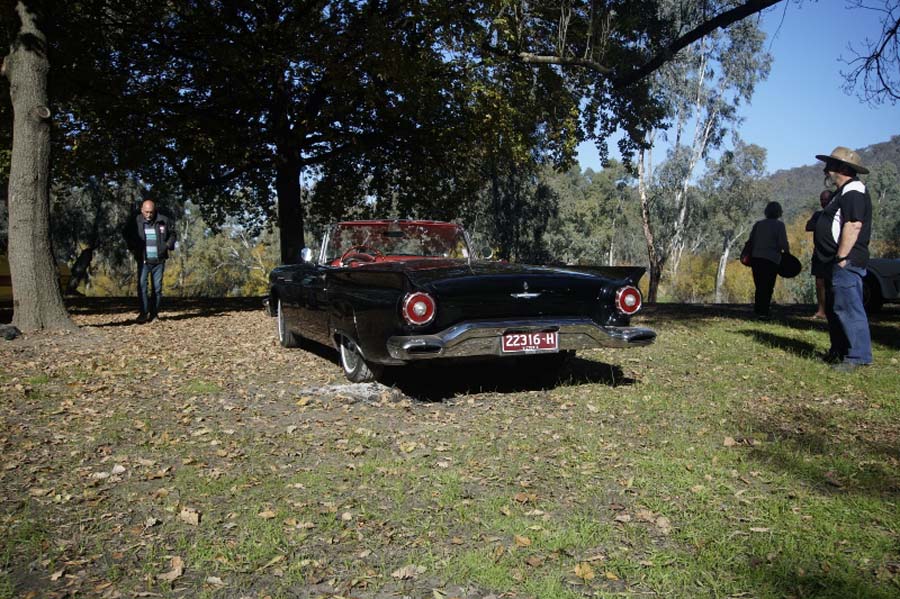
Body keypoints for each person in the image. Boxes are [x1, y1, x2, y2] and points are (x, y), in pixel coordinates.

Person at [814, 147, 873, 371]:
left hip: (845, 261)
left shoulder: (854, 190)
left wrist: (842, 257)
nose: (826, 171)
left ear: (842, 169)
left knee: (849, 307)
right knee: (835, 308)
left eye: (830, 166)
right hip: (833, 262)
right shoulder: (843, 192)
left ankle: (858, 356)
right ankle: (838, 351)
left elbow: (853, 223)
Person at [124, 199, 176, 323]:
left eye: (151, 212)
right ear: (142, 210)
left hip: (159, 260)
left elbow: (173, 234)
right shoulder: (136, 221)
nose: (149, 215)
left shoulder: (163, 220)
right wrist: (133, 247)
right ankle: (143, 314)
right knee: (142, 287)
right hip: (143, 261)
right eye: (146, 212)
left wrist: (167, 245)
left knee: (157, 289)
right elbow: (126, 233)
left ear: (154, 211)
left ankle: (154, 315)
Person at [748, 201, 789, 320]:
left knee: (759, 285)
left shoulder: (758, 224)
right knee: (768, 285)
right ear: (779, 212)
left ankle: (758, 309)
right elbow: (783, 243)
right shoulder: (779, 225)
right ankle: (764, 310)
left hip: (756, 258)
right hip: (771, 259)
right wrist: (787, 255)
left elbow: (751, 240)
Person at [805, 190, 833, 318]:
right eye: (822, 200)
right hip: (818, 253)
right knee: (819, 282)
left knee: (833, 282)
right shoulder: (818, 215)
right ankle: (821, 310)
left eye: (826, 200)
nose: (823, 202)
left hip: (834, 253)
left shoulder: (838, 214)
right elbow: (809, 226)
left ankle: (833, 309)